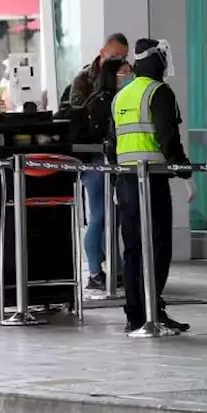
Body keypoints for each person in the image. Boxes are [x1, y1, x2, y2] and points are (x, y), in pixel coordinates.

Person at [112, 38, 193, 333]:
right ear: (155, 60)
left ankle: (136, 315)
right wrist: (184, 171)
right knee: (158, 247)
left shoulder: (122, 94)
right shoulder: (158, 92)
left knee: (133, 249)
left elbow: (112, 142)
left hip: (126, 180)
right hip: (153, 179)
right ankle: (152, 312)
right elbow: (168, 137)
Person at [68, 33, 130, 290]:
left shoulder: (127, 77)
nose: (120, 61)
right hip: (93, 154)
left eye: (123, 57)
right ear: (102, 52)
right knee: (98, 214)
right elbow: (79, 116)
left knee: (113, 215)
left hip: (118, 153)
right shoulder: (84, 80)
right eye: (115, 56)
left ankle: (115, 267)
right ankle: (95, 270)